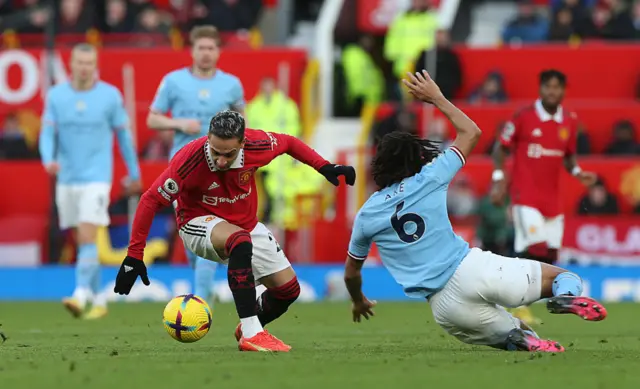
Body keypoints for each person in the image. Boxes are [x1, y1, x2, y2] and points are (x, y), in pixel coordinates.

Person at [343, 70, 607, 353]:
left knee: (518, 335)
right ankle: (565, 297)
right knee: (563, 278)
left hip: (444, 307)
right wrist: (437, 98)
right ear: (417, 157)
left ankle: (522, 339)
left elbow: (351, 274)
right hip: (471, 269)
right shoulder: (430, 177)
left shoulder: (367, 215)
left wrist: (358, 300)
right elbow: (472, 132)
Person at [113, 110, 356, 352]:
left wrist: (324, 166)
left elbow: (289, 143)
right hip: (197, 223)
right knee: (239, 241)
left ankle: (252, 325)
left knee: (287, 290)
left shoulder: (258, 145)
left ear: (242, 143)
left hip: (246, 226)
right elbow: (149, 200)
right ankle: (252, 334)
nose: (220, 160)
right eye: (215, 151)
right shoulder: (188, 160)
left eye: (228, 154)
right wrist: (134, 255)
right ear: (208, 138)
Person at [39, 43, 141, 320]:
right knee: (83, 240)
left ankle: (81, 293)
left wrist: (134, 172)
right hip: (67, 179)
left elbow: (124, 137)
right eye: (80, 62)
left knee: (86, 234)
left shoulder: (110, 96)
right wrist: (48, 158)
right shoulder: (56, 96)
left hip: (97, 177)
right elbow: (47, 133)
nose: (84, 68)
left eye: (89, 63)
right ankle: (98, 300)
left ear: (95, 66)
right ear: (71, 64)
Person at [147, 25, 245, 304]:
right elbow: (152, 118)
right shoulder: (173, 81)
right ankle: (206, 286)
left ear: (218, 52)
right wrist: (178, 123)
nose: (205, 53)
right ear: (192, 50)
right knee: (191, 235)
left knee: (209, 227)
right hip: (183, 168)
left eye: (211, 48)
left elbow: (243, 124)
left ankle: (201, 300)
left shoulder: (231, 85)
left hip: (220, 167)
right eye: (200, 48)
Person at [490, 69, 597, 326]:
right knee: (532, 247)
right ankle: (514, 304)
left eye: (557, 87)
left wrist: (578, 172)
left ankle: (519, 303)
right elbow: (500, 148)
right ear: (540, 89)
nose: (552, 91)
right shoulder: (524, 117)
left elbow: (569, 156)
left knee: (549, 254)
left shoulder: (570, 120)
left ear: (563, 90)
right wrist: (498, 179)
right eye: (547, 87)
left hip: (553, 199)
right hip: (525, 194)